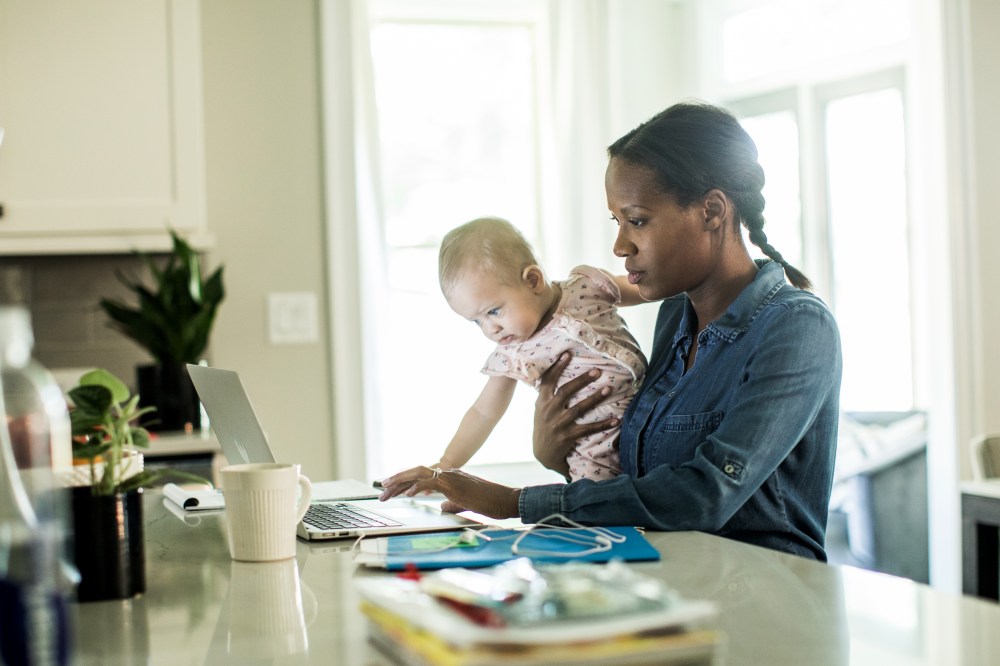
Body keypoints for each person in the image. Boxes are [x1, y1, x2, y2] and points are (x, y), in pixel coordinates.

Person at [380, 101, 843, 561]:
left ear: (712, 211)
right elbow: (642, 480)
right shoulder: (676, 319)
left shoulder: (796, 328)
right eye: (616, 222)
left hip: (768, 600)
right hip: (672, 579)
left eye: (637, 220)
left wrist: (515, 503)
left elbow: (705, 494)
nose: (620, 245)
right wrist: (553, 453)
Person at [431, 216, 647, 481]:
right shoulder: (513, 354)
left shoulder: (587, 286)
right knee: (599, 506)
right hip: (593, 453)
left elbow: (646, 289)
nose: (490, 329)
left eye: (494, 311)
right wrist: (445, 464)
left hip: (648, 415)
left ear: (533, 280)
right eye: (477, 321)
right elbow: (483, 412)